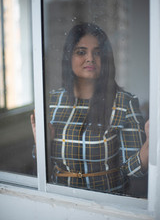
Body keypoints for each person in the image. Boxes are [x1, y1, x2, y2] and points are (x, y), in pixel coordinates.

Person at [31, 22, 149, 194]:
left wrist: (150, 145)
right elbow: (41, 165)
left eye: (98, 53)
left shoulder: (125, 102)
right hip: (60, 201)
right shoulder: (51, 101)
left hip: (108, 204)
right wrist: (42, 143)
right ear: (68, 57)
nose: (90, 58)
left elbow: (132, 171)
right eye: (81, 52)